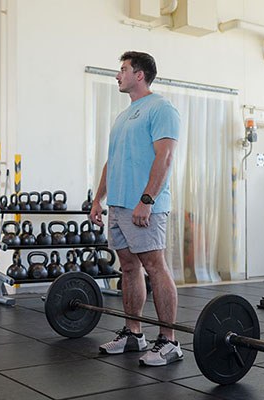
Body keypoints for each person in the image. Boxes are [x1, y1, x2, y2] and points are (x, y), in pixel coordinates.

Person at [90, 51, 182, 366]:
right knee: (128, 268)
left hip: (144, 206)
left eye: (123, 69)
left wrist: (147, 200)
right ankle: (134, 334)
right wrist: (98, 198)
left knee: (155, 267)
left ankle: (169, 341)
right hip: (118, 205)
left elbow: (165, 157)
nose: (118, 75)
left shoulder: (161, 108)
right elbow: (111, 161)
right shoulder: (123, 116)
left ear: (139, 74)